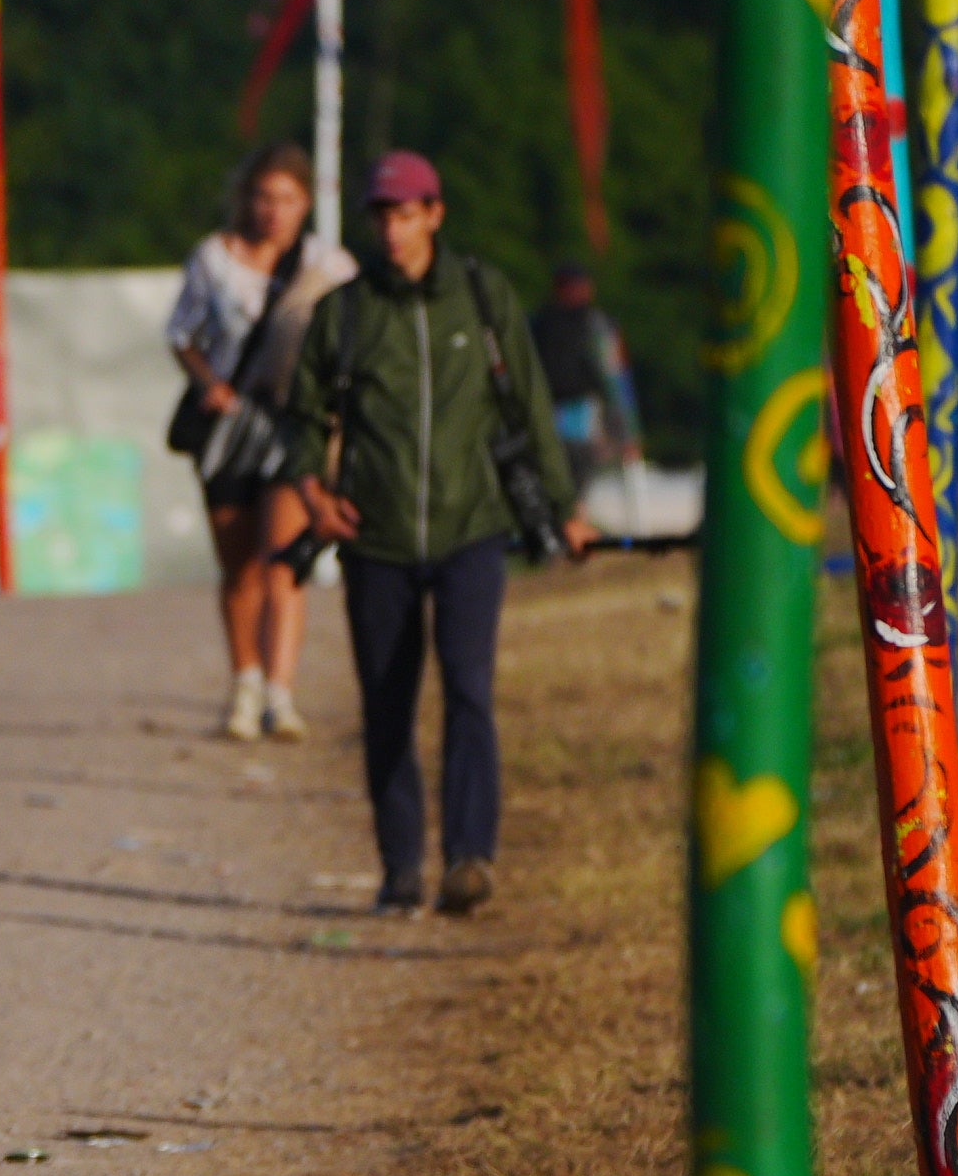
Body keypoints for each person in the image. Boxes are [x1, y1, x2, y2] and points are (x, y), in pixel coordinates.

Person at [282, 152, 595, 920]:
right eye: (381, 216)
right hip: (375, 537)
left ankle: (468, 858)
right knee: (388, 702)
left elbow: (529, 405)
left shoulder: (482, 298)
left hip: (471, 530)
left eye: (405, 213)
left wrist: (564, 506)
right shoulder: (345, 315)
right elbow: (300, 415)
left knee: (468, 689)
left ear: (435, 214)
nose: (392, 230)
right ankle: (400, 869)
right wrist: (310, 494)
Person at [167, 143, 347, 741]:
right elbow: (181, 332)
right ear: (248, 199)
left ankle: (280, 692)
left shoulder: (327, 262)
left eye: (288, 199)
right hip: (228, 427)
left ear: (306, 203)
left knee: (281, 564)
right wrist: (208, 383)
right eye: (265, 197)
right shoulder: (214, 260)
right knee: (239, 565)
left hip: (293, 424)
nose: (275, 210)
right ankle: (244, 681)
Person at [529, 265, 645, 483]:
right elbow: (616, 380)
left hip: (573, 418)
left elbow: (615, 381)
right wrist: (629, 433)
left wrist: (627, 432)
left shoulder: (541, 323)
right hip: (563, 418)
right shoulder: (593, 326)